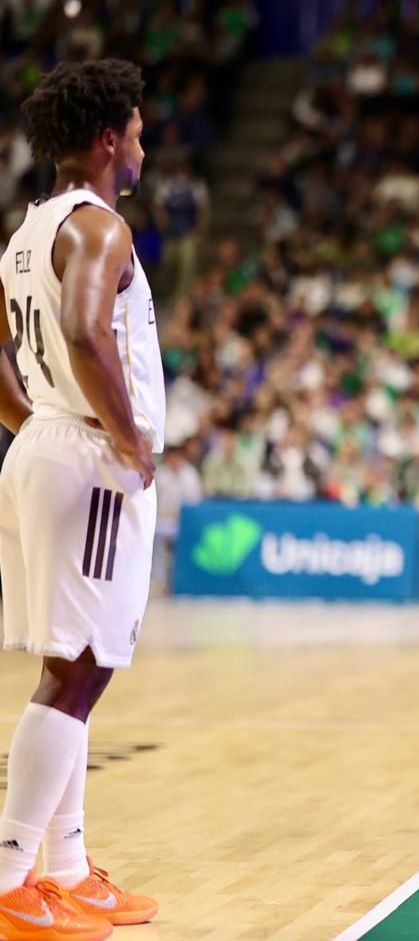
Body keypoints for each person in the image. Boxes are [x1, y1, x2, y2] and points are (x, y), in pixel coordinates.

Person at [0, 59, 164, 938]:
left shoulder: (26, 232)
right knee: (77, 672)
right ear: (108, 139)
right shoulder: (100, 228)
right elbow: (82, 331)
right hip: (87, 458)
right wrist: (127, 437)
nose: (142, 144)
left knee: (74, 668)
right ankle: (11, 877)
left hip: (44, 447)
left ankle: (63, 870)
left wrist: (36, 422)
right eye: (136, 130)